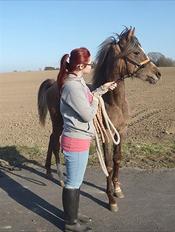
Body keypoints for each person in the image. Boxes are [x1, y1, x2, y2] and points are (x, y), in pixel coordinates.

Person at [57, 47, 117, 232]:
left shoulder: (78, 82)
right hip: (75, 141)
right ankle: (70, 223)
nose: (93, 65)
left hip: (79, 139)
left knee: (76, 181)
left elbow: (87, 98)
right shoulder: (72, 86)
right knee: (73, 183)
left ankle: (72, 216)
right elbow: (87, 114)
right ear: (81, 65)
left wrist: (99, 90)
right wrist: (97, 101)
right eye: (90, 63)